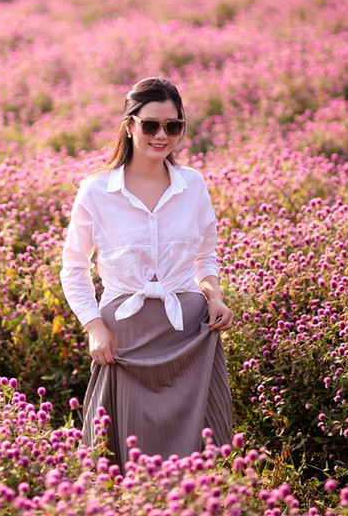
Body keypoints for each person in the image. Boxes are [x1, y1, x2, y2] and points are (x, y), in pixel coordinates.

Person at [60, 77, 234, 469]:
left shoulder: (193, 185)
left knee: (199, 453)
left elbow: (206, 255)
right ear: (129, 125)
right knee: (121, 458)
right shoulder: (96, 190)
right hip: (124, 338)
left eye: (173, 126)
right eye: (150, 125)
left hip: (189, 335)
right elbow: (73, 268)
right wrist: (94, 327)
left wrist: (215, 296)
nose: (162, 136)